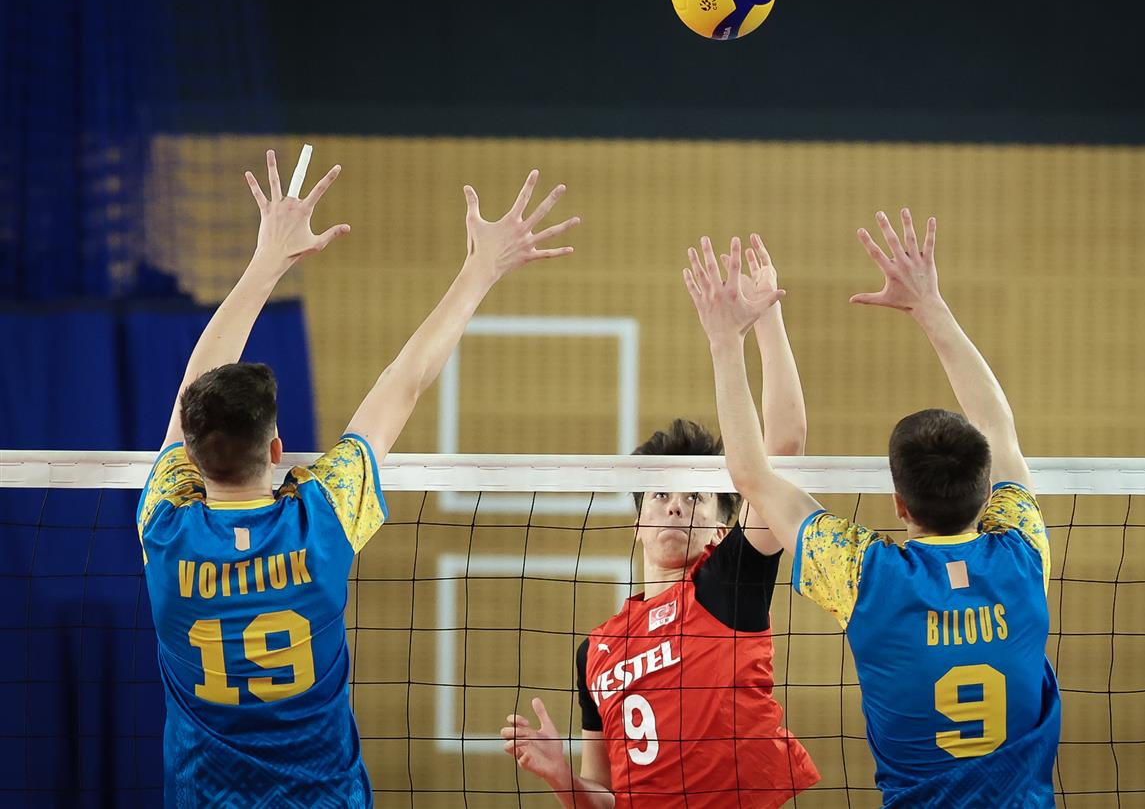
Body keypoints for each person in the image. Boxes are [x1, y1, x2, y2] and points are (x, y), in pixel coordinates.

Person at [136, 150, 579, 807]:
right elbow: (405, 382)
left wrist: (265, 262)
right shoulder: (322, 518)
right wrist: (481, 268)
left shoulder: (164, 527)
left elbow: (190, 395)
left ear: (192, 456)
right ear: (278, 449)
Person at [682, 213, 1060, 808]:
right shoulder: (1023, 553)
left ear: (899, 502)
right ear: (987, 491)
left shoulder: (865, 575)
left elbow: (751, 473)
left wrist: (725, 341)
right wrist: (930, 305)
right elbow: (998, 427)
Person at [501, 235, 820, 808]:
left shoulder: (728, 585)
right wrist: (561, 777)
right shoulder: (595, 651)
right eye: (660, 494)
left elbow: (784, 450)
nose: (675, 505)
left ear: (721, 528)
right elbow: (601, 796)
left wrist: (765, 319)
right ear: (638, 522)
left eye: (696, 497)